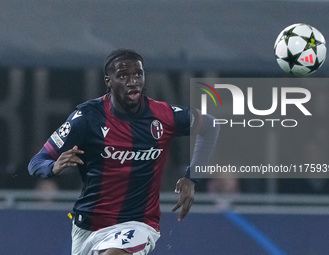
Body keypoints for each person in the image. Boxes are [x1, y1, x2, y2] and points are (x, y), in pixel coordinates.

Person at [28, 49, 219, 255]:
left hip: (138, 223)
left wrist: (193, 177)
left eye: (138, 74)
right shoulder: (86, 117)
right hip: (87, 225)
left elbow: (211, 125)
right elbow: (37, 161)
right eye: (123, 76)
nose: (132, 81)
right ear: (108, 81)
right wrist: (53, 167)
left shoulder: (164, 116)